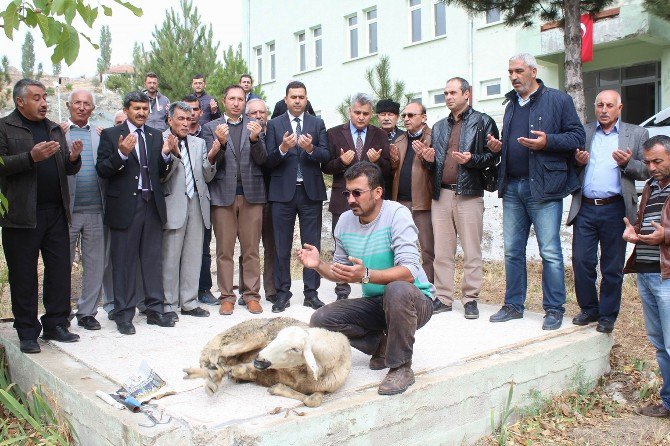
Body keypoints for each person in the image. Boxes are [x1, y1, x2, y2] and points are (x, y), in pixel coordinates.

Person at [305, 162, 433, 395]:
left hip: (415, 301)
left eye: (357, 193)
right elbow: (342, 272)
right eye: (347, 193)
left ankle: (401, 367)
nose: (351, 199)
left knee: (397, 289)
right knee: (321, 319)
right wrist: (318, 265)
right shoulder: (344, 222)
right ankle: (382, 345)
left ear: (377, 193)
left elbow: (409, 271)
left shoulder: (397, 214)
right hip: (378, 303)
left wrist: (366, 275)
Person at [487, 53, 585, 330]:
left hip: (544, 187)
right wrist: (500, 146)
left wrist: (548, 142)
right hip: (514, 186)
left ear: (533, 71)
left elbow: (577, 137)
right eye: (510, 72)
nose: (514, 76)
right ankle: (513, 305)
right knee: (512, 251)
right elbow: (514, 142)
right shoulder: (510, 104)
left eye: (519, 71)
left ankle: (554, 309)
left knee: (550, 251)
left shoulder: (558, 100)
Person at [0, 78, 82, 354]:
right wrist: (29, 158)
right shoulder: (5, 127)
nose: (44, 102)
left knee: (59, 270)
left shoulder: (53, 129)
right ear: (20, 101)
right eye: (36, 97)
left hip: (56, 212)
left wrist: (72, 159)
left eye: (45, 96)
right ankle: (26, 331)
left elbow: (66, 171)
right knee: (24, 275)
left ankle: (56, 324)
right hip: (21, 216)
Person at [567, 90, 649, 333]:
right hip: (585, 207)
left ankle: (607, 315)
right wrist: (577, 162)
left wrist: (627, 163)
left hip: (616, 209)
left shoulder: (636, 133)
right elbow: (569, 166)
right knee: (581, 261)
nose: (604, 110)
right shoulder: (585, 132)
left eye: (609, 105)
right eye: (600, 105)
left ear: (619, 108)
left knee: (612, 267)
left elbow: (647, 170)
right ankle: (589, 309)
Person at [96, 91, 175, 335]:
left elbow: (159, 172)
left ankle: (154, 311)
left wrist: (165, 154)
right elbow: (102, 169)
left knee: (152, 261)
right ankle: (124, 314)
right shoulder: (112, 135)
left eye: (144, 108)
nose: (141, 112)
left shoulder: (154, 135)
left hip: (151, 204)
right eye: (136, 108)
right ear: (127, 110)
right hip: (125, 208)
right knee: (124, 263)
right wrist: (121, 154)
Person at [425, 77, 500, 318]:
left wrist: (472, 160)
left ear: (467, 94)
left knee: (471, 250)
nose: (448, 97)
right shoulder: (438, 127)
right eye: (445, 93)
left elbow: (494, 157)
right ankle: (444, 297)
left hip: (469, 194)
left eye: (453, 92)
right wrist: (428, 161)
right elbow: (436, 164)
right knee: (443, 251)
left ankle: (470, 299)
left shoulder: (483, 122)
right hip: (442, 195)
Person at [201, 85, 267, 315]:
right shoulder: (211, 127)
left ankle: (251, 295)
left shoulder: (255, 125)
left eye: (241, 99)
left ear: (245, 101)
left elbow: (263, 160)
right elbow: (210, 162)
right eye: (232, 98)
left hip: (252, 195)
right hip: (222, 196)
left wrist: (255, 139)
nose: (236, 102)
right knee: (224, 250)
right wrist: (218, 143)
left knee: (251, 250)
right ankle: (227, 296)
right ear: (224, 100)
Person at [265, 81, 329, 313]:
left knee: (311, 245)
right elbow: (267, 161)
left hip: (309, 192)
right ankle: (282, 293)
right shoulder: (274, 124)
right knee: (281, 245)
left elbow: (326, 154)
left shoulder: (317, 123)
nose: (297, 101)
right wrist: (282, 148)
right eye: (293, 97)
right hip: (282, 194)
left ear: (306, 98)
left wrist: (311, 149)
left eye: (301, 97)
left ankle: (311, 293)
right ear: (286, 99)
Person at [322, 92, 391, 300]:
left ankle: (374, 287)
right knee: (341, 247)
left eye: (366, 114)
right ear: (349, 112)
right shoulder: (333, 133)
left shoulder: (379, 135)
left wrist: (378, 161)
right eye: (357, 112)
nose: (361, 117)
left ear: (371, 115)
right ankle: (342, 291)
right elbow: (325, 167)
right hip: (342, 198)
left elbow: (388, 171)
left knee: (375, 244)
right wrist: (341, 162)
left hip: (370, 201)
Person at [623, 135, 670, 418]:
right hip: (647, 273)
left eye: (658, 161)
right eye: (648, 162)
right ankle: (668, 403)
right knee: (659, 343)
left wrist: (666, 235)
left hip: (667, 276)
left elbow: (663, 232)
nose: (651, 168)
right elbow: (646, 226)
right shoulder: (651, 186)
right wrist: (635, 233)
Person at [161, 102, 219, 321]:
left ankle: (189, 302)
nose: (186, 123)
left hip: (197, 203)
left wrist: (212, 156)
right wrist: (172, 155)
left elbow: (207, 175)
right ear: (170, 120)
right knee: (170, 257)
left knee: (193, 256)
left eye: (189, 119)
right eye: (181, 119)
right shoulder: (160, 140)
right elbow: (160, 176)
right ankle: (168, 304)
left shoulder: (198, 143)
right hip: (172, 204)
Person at [64, 89, 107, 330]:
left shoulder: (99, 135)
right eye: (77, 103)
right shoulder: (58, 132)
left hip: (95, 209)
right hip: (67, 211)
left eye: (86, 104)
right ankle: (61, 311)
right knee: (62, 264)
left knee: (94, 264)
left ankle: (88, 312)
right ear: (69, 105)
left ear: (92, 108)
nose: (82, 107)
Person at [237, 98, 277, 306]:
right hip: (249, 196)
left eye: (262, 112)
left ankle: (271, 289)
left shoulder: (273, 132)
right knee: (248, 246)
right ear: (246, 115)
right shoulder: (240, 132)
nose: (259, 116)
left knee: (271, 245)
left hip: (271, 196)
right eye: (254, 113)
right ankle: (245, 289)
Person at [390, 101, 435, 283]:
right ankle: (401, 287)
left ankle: (428, 288)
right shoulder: (399, 140)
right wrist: (392, 162)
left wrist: (427, 158)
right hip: (400, 203)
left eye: (411, 115)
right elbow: (394, 171)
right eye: (404, 116)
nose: (406, 119)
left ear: (423, 118)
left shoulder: (434, 137)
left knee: (427, 249)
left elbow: (437, 168)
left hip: (423, 202)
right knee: (399, 247)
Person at [376, 99, 403, 198]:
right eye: (383, 114)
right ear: (377, 117)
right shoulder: (371, 136)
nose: (386, 118)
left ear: (398, 117)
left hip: (399, 190)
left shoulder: (405, 137)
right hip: (376, 188)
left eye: (390, 114)